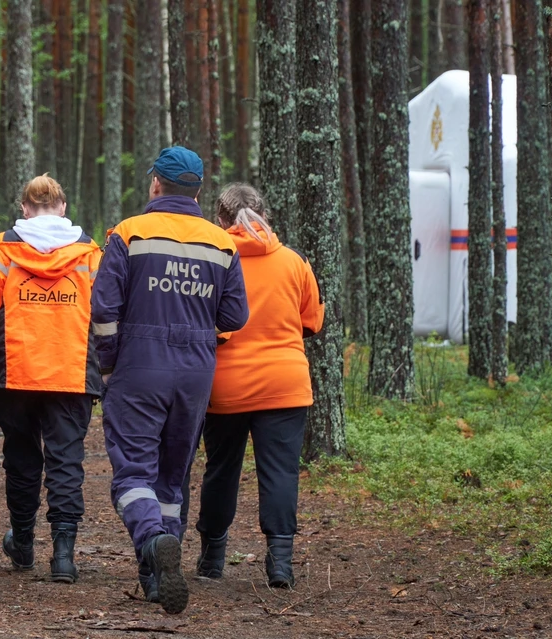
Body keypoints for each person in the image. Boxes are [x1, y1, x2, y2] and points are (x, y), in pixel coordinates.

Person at [91, 147, 250, 614]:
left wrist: (108, 362)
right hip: (196, 371)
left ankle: (152, 542)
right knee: (172, 476)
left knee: (132, 474)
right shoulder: (222, 243)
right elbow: (235, 315)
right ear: (198, 192)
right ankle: (158, 576)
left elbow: (104, 310)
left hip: (138, 366)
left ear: (155, 185)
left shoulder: (128, 233)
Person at [0, 174, 102, 584]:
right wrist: (109, 366)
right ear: (63, 207)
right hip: (70, 372)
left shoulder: (4, 248)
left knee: (21, 458)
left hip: (15, 373)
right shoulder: (89, 253)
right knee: (66, 461)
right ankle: (64, 555)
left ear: (25, 208)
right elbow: (105, 315)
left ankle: (22, 543)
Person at [192, 183, 323, 589]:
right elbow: (312, 322)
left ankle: (212, 558)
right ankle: (280, 564)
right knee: (281, 472)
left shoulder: (213, 261)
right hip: (285, 383)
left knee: (221, 470)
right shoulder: (293, 262)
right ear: (265, 215)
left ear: (221, 220)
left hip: (225, 386)